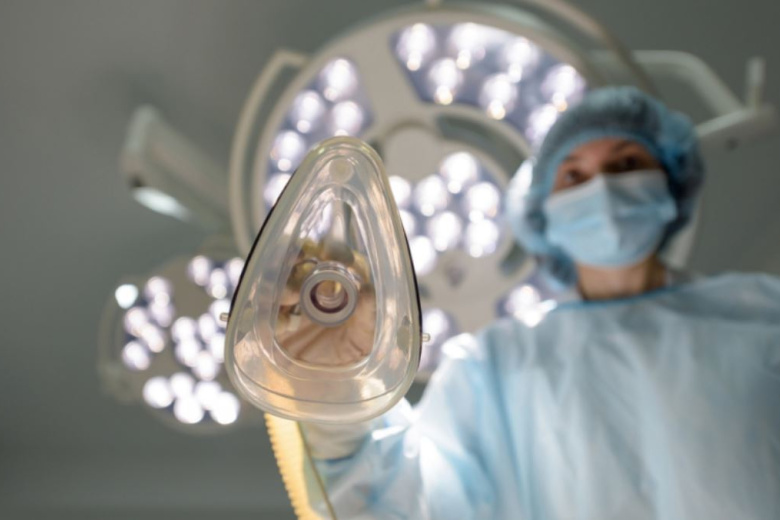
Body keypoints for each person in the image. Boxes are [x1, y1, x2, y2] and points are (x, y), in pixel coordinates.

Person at [300, 87, 780, 519]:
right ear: (543, 211)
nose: (602, 189)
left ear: (671, 180)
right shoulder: (495, 366)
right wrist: (344, 389)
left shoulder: (763, 314)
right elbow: (407, 501)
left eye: (626, 165)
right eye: (574, 175)